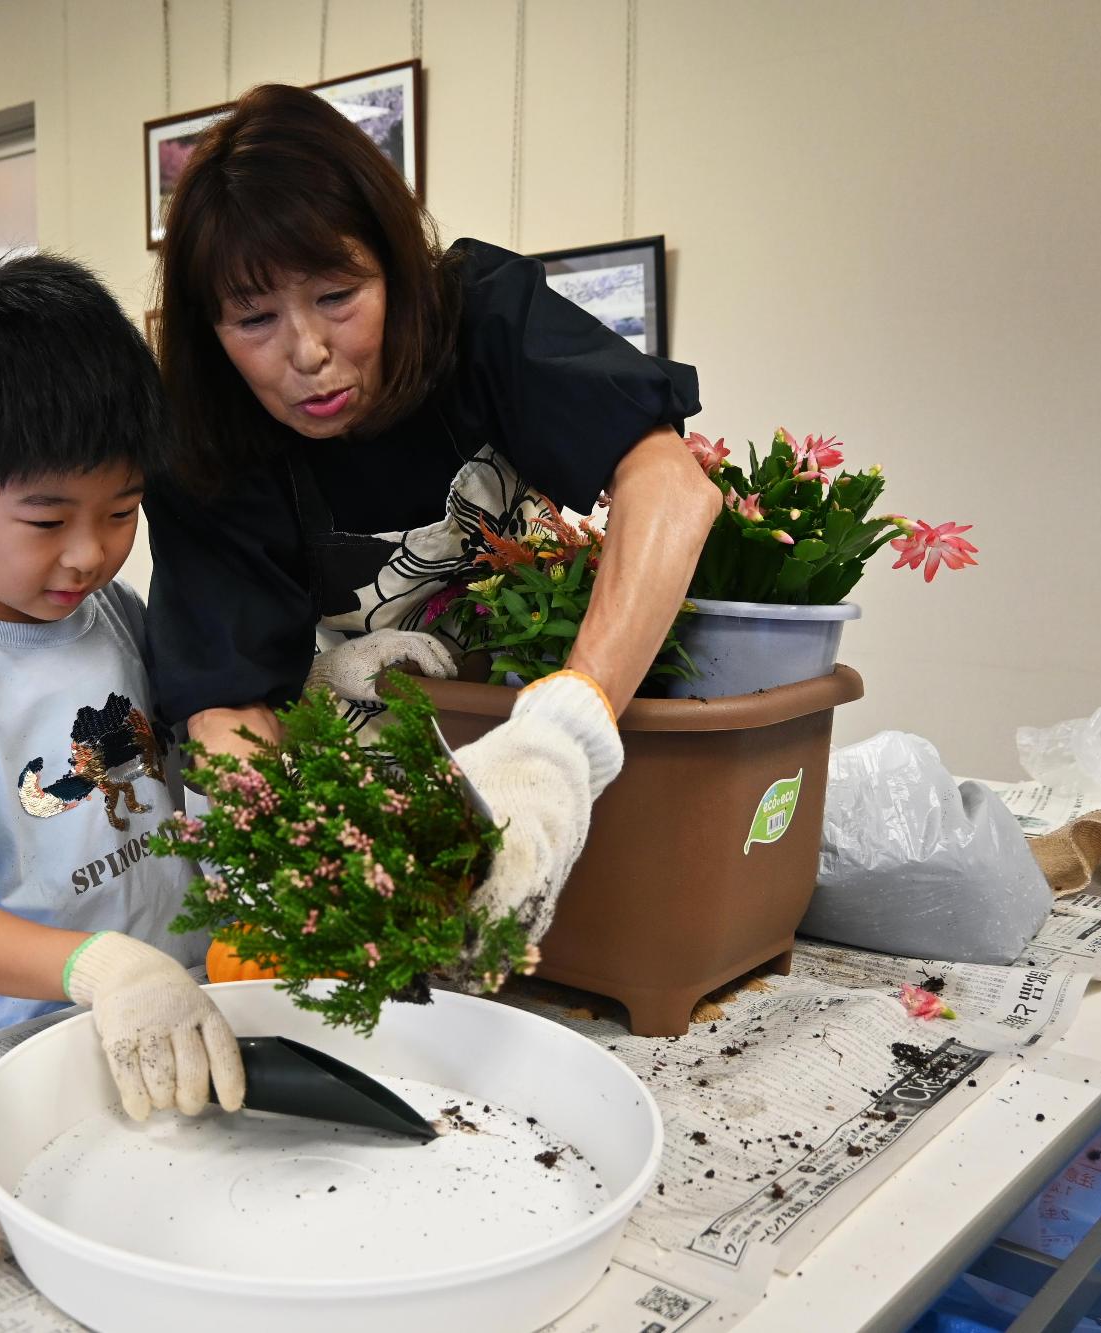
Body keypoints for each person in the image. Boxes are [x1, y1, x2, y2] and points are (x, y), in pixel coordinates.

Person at [146, 84, 722, 980]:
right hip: (381, 792)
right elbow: (228, 704)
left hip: (568, 753)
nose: (307, 354)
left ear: (395, 266)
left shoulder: (482, 317)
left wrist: (562, 739)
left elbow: (670, 486)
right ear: (209, 329)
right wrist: (290, 856)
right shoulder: (208, 444)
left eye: (339, 295)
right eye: (255, 319)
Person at [0, 254, 243, 1122]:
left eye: (121, 511)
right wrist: (99, 966)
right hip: (36, 1052)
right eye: (46, 519)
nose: (87, 553)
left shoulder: (117, 613)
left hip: (187, 1005)